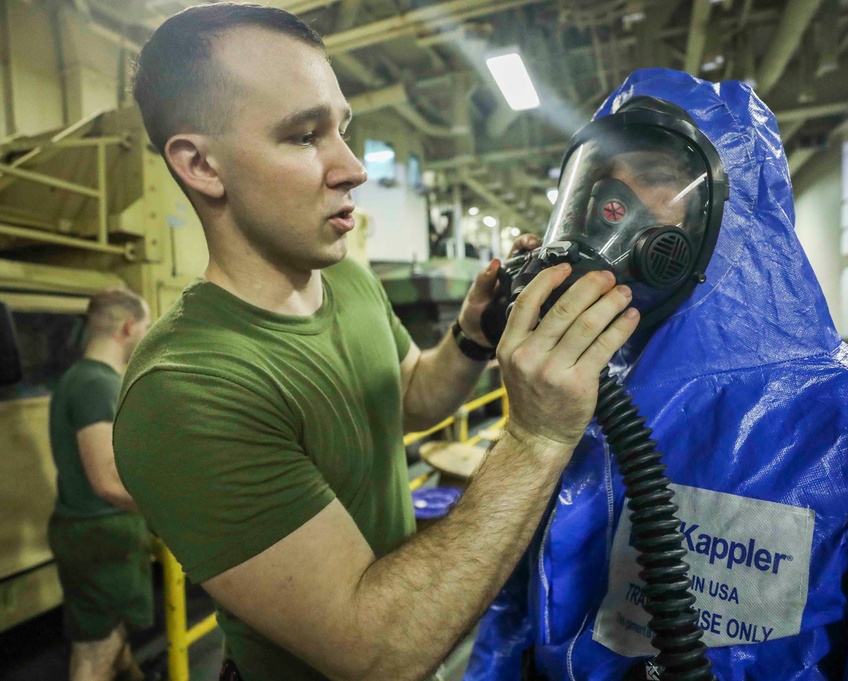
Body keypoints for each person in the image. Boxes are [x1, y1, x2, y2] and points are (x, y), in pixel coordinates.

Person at [112, 4, 639, 681]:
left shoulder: (347, 280)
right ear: (202, 166)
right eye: (304, 136)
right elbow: (374, 648)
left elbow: (409, 397)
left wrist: (471, 338)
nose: (354, 167)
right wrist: (536, 435)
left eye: (343, 128)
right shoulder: (186, 390)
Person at [467, 68, 848, 680]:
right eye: (597, 182)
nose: (611, 209)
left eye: (656, 177)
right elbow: (512, 619)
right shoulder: (568, 398)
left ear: (737, 206)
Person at [48, 286, 152, 681]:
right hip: (102, 534)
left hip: (91, 532)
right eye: (145, 326)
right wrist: (171, 505)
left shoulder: (78, 378)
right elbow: (108, 483)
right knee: (96, 654)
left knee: (113, 645)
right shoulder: (96, 385)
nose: (146, 333)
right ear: (128, 327)